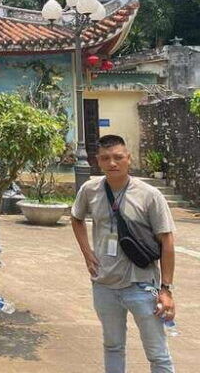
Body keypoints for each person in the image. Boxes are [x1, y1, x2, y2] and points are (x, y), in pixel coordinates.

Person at [71, 134, 176, 373]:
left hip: (141, 285)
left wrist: (166, 289)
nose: (112, 163)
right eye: (106, 158)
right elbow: (76, 218)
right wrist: (87, 254)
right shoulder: (90, 190)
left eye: (118, 157)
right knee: (113, 346)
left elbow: (167, 240)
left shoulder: (149, 195)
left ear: (129, 158)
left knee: (157, 353)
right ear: (98, 161)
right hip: (104, 284)